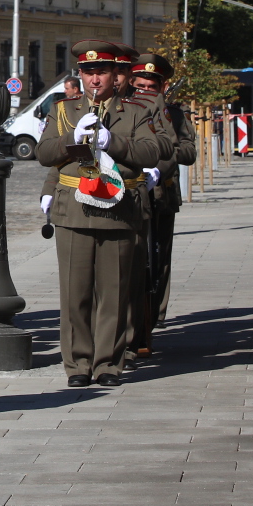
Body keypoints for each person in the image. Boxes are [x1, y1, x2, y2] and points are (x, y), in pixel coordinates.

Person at [37, 40, 165, 389]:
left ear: (115, 75)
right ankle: (77, 363)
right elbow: (44, 152)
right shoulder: (63, 110)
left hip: (119, 209)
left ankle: (109, 361)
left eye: (102, 72)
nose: (95, 80)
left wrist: (114, 143)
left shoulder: (135, 111)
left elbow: (153, 152)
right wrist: (70, 139)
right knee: (75, 291)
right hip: (74, 209)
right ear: (80, 75)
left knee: (114, 290)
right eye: (89, 72)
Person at [128, 53, 196, 356]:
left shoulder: (174, 114)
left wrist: (161, 160)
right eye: (139, 85)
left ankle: (155, 315)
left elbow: (189, 152)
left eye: (150, 87)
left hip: (162, 194)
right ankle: (138, 322)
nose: (145, 91)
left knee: (159, 258)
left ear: (162, 86)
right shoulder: (127, 111)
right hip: (133, 193)